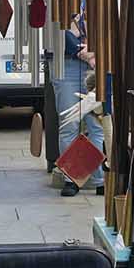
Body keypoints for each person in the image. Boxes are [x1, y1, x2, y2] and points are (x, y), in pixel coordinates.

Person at [53, 12, 105, 198]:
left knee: (98, 125)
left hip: (98, 59)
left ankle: (101, 180)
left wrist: (95, 51)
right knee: (69, 123)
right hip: (66, 63)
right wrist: (77, 49)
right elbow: (55, 23)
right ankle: (72, 178)